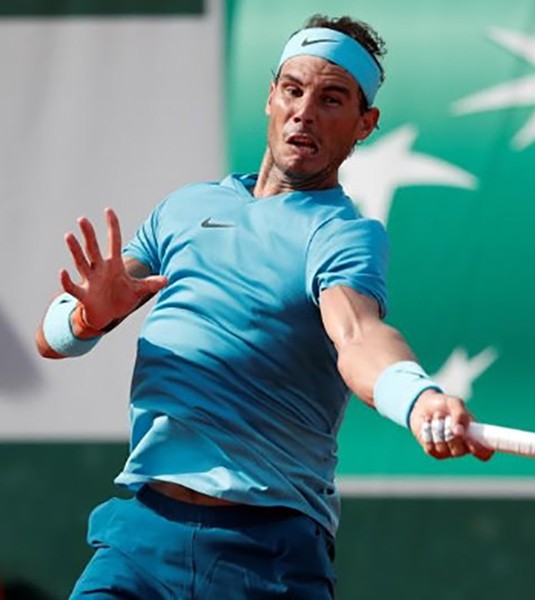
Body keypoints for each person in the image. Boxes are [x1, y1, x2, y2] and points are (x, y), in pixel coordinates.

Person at [35, 14, 492, 599]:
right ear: (271, 97)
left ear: (364, 124)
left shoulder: (343, 233)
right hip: (140, 539)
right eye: (293, 90)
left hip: (267, 553)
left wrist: (417, 396)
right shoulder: (182, 209)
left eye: (332, 99)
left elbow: (358, 337)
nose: (305, 111)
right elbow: (52, 338)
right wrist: (87, 318)